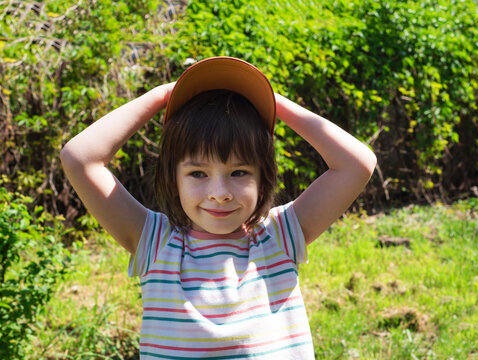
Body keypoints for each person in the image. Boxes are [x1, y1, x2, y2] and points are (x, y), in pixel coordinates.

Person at [61, 56, 376, 359]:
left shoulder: (279, 236)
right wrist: (162, 96)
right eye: (198, 174)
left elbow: (357, 164)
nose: (220, 193)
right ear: (173, 180)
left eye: (239, 173)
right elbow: (79, 157)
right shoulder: (154, 241)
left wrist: (272, 101)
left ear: (263, 180)